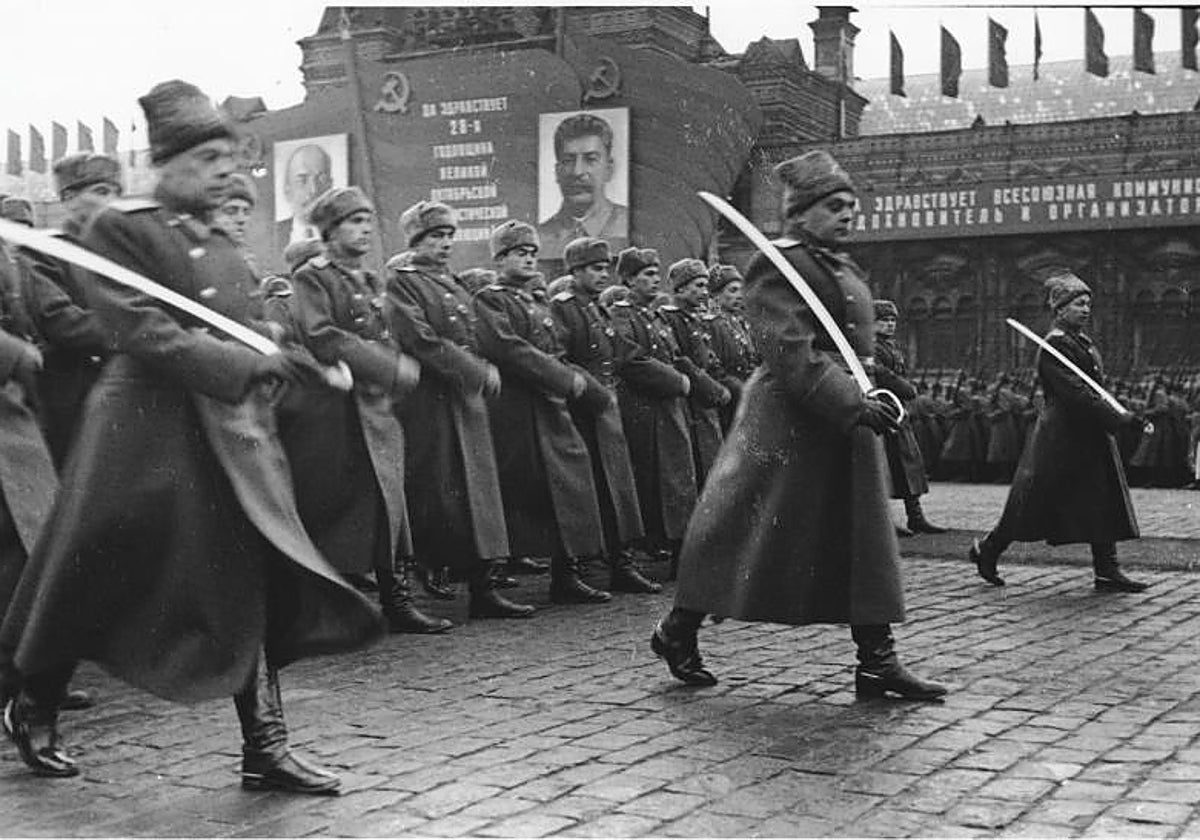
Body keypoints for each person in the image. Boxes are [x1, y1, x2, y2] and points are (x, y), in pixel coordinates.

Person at [0, 80, 382, 791]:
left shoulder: (220, 239)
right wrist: (244, 365)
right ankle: (34, 700)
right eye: (207, 158)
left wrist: (288, 360)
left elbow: (248, 327)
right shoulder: (121, 227)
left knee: (255, 568)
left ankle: (265, 747)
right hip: (142, 430)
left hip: (229, 436)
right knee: (92, 572)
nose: (223, 172)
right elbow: (138, 328)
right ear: (166, 163)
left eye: (227, 158)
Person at [650, 149, 946, 701]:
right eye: (834, 206)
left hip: (843, 419)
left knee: (861, 539)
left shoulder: (840, 266)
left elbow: (855, 347)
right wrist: (851, 403)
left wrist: (868, 393)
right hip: (789, 423)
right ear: (801, 213)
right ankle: (677, 630)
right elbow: (788, 351)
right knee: (742, 536)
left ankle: (877, 661)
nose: (848, 216)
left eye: (852, 207)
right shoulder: (778, 264)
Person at [282, 186, 452, 635]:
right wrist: (390, 367)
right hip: (338, 410)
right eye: (353, 222)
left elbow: (385, 333)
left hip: (376, 408)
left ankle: (396, 599)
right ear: (330, 231)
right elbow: (322, 336)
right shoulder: (312, 277)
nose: (364, 230)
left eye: (366, 221)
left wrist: (392, 367)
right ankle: (323, 610)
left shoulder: (369, 280)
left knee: (387, 506)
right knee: (340, 510)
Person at [386, 205, 534, 620]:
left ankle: (484, 587)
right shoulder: (403, 284)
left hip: (465, 401)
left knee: (479, 494)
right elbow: (419, 338)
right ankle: (419, 582)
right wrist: (473, 369)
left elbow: (477, 332)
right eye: (436, 236)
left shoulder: (451, 283)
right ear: (415, 241)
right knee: (440, 495)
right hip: (431, 403)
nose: (446, 243)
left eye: (450, 235)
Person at [969, 272, 1149, 593]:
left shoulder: (1081, 343)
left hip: (1088, 433)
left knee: (1101, 496)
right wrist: (1120, 419)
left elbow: (1094, 390)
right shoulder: (1053, 346)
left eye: (1088, 304)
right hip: (1062, 436)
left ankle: (1107, 570)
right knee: (1033, 502)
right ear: (1060, 309)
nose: (1085, 309)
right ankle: (988, 549)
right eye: (1078, 304)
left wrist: (1120, 415)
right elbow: (1076, 392)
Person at [473, 220, 610, 604]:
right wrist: (564, 379)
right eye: (520, 253)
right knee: (514, 490)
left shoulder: (537, 302)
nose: (530, 260)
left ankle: (567, 575)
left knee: (567, 486)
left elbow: (558, 348)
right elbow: (508, 349)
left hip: (550, 407)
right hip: (515, 410)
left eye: (533, 254)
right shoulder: (490, 299)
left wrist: (582, 384)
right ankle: (489, 582)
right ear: (500, 259)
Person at [550, 236, 659, 595]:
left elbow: (621, 352)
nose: (603, 275)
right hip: (583, 411)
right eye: (595, 269)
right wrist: (592, 391)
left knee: (617, 490)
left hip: (607, 413)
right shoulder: (564, 308)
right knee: (582, 492)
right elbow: (559, 357)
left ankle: (621, 563)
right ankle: (569, 573)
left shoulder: (598, 308)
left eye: (604, 268)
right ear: (576, 271)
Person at [612, 246, 697, 571]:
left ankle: (680, 550)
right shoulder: (622, 314)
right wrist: (677, 381)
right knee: (653, 481)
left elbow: (673, 355)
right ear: (629, 280)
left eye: (655, 273)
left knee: (677, 479)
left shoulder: (655, 316)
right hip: (643, 411)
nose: (654, 280)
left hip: (669, 410)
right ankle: (655, 549)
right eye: (646, 275)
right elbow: (630, 359)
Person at [872, 300, 946, 537]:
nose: (890, 324)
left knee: (908, 465)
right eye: (884, 320)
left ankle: (916, 517)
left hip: (897, 411)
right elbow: (883, 375)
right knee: (886, 468)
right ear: (872, 323)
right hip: (881, 410)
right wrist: (907, 388)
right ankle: (885, 520)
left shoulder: (891, 347)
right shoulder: (869, 348)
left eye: (893, 320)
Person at [660, 259, 731, 488]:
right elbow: (681, 360)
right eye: (698, 286)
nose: (704, 292)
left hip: (707, 401)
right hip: (691, 402)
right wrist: (713, 388)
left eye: (705, 286)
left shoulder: (695, 317)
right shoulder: (672, 317)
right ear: (680, 288)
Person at [538, 113, 629, 259]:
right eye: (568, 160)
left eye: (591, 159)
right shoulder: (538, 238)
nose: (577, 171)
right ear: (557, 172)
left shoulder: (627, 224)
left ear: (609, 169)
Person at [706, 263, 759, 431]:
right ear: (715, 295)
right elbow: (715, 369)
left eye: (741, 290)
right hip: (729, 401)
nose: (740, 296)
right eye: (733, 290)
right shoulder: (712, 324)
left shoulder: (740, 322)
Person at [276, 143, 332, 252]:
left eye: (321, 180)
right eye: (302, 180)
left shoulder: (347, 235)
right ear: (287, 190)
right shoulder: (271, 235)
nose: (313, 190)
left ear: (331, 186)